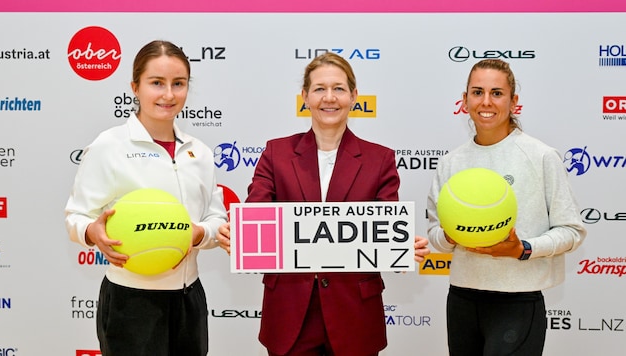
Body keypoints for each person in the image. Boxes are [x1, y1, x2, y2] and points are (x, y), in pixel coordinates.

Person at [216, 52, 430, 356]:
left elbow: (383, 227)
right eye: (319, 89)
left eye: (339, 88)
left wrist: (398, 247)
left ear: (354, 96)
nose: (329, 98)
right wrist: (239, 236)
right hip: (290, 313)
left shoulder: (379, 160)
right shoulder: (276, 153)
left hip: (355, 315)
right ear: (305, 96)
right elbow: (256, 215)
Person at [65, 40, 227, 356]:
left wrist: (200, 234)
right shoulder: (109, 146)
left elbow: (215, 219)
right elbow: (76, 216)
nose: (168, 94)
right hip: (130, 301)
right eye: (156, 83)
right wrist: (92, 232)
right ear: (135, 87)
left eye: (178, 84)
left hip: (189, 297)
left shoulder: (200, 152)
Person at [427, 58, 587, 356]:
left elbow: (572, 231)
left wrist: (523, 248)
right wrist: (451, 236)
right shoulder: (451, 162)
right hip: (462, 299)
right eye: (477, 92)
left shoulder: (541, 156)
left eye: (497, 93)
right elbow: (436, 233)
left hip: (518, 301)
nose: (486, 101)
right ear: (464, 100)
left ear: (514, 101)